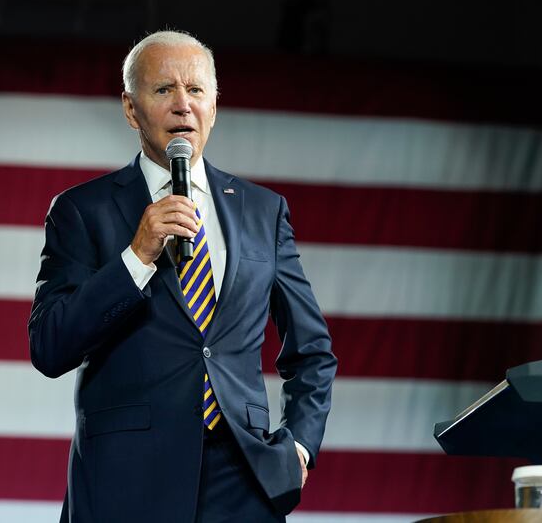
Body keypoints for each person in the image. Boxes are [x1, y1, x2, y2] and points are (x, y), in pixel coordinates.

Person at [28, 30, 337, 523]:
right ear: (131, 109)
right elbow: (49, 345)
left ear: (214, 104)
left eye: (195, 90)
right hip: (125, 484)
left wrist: (298, 445)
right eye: (163, 89)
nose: (182, 104)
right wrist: (136, 257)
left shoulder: (263, 211)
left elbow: (312, 350)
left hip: (245, 483)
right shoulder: (82, 211)